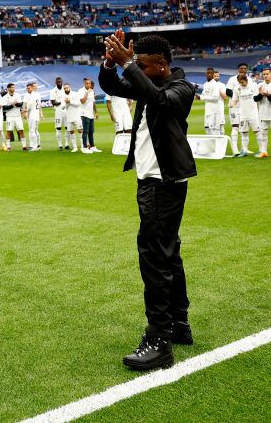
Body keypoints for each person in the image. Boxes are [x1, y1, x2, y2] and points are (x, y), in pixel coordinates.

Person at [99, 32, 197, 372]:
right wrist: (111, 65)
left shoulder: (181, 89)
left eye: (141, 65)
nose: (135, 70)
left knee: (154, 257)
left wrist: (128, 63)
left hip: (162, 184)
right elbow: (112, 86)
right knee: (168, 253)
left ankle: (158, 341)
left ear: (162, 65)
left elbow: (159, 99)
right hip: (153, 182)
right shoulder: (149, 82)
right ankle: (179, 325)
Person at [225, 63, 250, 155]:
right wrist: (238, 95)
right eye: (241, 68)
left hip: (245, 106)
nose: (243, 70)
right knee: (235, 127)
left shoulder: (250, 80)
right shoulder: (232, 79)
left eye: (245, 68)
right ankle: (235, 149)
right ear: (238, 69)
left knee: (245, 127)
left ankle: (245, 148)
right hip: (234, 106)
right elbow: (227, 91)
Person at [232, 74, 259, 157]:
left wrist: (258, 111)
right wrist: (233, 109)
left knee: (257, 131)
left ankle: (262, 150)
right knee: (244, 132)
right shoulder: (237, 88)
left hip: (253, 113)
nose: (241, 84)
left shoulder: (253, 86)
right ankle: (244, 150)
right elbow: (234, 100)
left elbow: (258, 99)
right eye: (240, 82)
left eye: (242, 82)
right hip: (243, 113)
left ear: (246, 80)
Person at [196, 68, 226, 136]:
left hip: (215, 111)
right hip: (208, 110)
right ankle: (212, 146)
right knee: (207, 129)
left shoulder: (215, 84)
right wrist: (197, 96)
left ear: (213, 75)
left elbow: (215, 98)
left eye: (211, 73)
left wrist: (201, 97)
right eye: (208, 73)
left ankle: (219, 146)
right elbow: (203, 95)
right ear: (205, 74)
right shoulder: (205, 84)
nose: (209, 74)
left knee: (215, 130)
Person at [80, 78, 101, 153]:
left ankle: (92, 146)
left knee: (91, 131)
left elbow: (93, 103)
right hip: (84, 114)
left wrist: (96, 112)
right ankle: (84, 147)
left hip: (90, 114)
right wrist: (87, 93)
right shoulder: (81, 91)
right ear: (84, 83)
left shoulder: (92, 91)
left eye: (89, 83)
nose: (88, 85)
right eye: (87, 83)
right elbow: (82, 101)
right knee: (85, 131)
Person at [2, 83, 25, 150]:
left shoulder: (18, 95)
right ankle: (8, 147)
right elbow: (4, 107)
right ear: (8, 88)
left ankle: (24, 146)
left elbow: (20, 104)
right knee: (8, 131)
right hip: (9, 116)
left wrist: (14, 104)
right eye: (12, 87)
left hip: (18, 116)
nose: (13, 89)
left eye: (14, 87)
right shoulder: (5, 97)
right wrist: (12, 105)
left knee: (21, 130)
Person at [22, 82, 42, 151]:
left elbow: (29, 105)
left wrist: (24, 110)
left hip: (33, 115)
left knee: (32, 130)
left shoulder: (33, 95)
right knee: (35, 130)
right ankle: (38, 146)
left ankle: (35, 146)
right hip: (35, 114)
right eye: (27, 88)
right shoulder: (37, 95)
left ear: (32, 88)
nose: (28, 89)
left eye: (29, 88)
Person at [63, 83, 83, 153]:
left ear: (70, 87)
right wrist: (67, 103)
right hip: (69, 117)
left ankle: (83, 146)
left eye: (67, 88)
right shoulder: (63, 96)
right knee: (71, 132)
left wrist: (70, 101)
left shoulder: (75, 94)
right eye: (64, 88)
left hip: (76, 116)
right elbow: (62, 107)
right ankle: (75, 147)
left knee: (80, 131)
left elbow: (78, 104)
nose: (66, 89)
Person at [49, 77, 68, 150]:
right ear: (56, 83)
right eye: (58, 82)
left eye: (60, 82)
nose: (59, 83)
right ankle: (60, 145)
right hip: (58, 111)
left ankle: (66, 144)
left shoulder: (65, 89)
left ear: (62, 82)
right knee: (58, 128)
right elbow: (53, 102)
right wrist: (62, 102)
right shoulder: (52, 91)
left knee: (67, 127)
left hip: (66, 111)